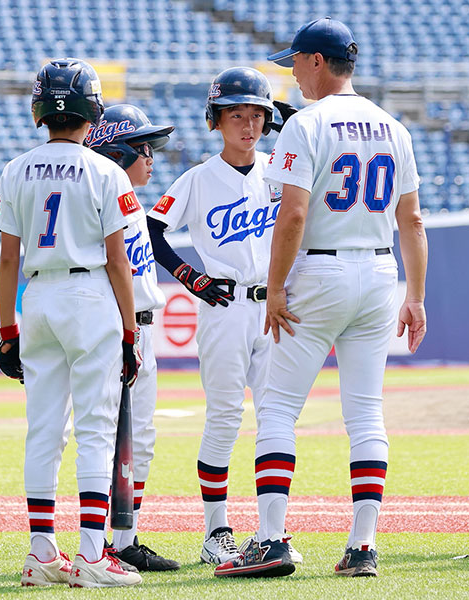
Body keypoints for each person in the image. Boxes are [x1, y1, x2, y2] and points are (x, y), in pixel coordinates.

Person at [214, 17, 428, 579]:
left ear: (314, 60)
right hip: (381, 272)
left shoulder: (306, 123)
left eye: (296, 64)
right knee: (365, 411)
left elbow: (295, 213)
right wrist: (418, 296)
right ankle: (363, 546)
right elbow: (412, 221)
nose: (294, 76)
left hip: (320, 269)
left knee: (280, 407)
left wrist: (277, 285)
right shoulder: (393, 127)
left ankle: (270, 539)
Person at [0, 58, 143, 588]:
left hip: (39, 296)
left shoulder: (16, 168)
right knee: (96, 428)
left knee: (44, 428)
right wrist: (130, 331)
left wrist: (7, 331)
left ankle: (41, 552)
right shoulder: (106, 171)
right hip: (90, 294)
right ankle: (93, 555)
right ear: (91, 111)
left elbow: (8, 261)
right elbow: (119, 262)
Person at [144, 67, 299, 566]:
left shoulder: (281, 170)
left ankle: (269, 530)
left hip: (275, 304)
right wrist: (191, 278)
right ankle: (217, 530)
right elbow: (151, 230)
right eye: (236, 115)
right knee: (226, 417)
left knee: (277, 414)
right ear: (216, 120)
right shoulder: (198, 178)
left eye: (257, 115)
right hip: (225, 305)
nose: (248, 125)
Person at [85, 103, 180, 572]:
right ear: (116, 151)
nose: (152, 155)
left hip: (141, 326)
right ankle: (100, 540)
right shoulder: (103, 201)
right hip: (118, 327)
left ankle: (124, 537)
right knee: (108, 436)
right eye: (142, 147)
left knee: (139, 438)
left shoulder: (132, 203)